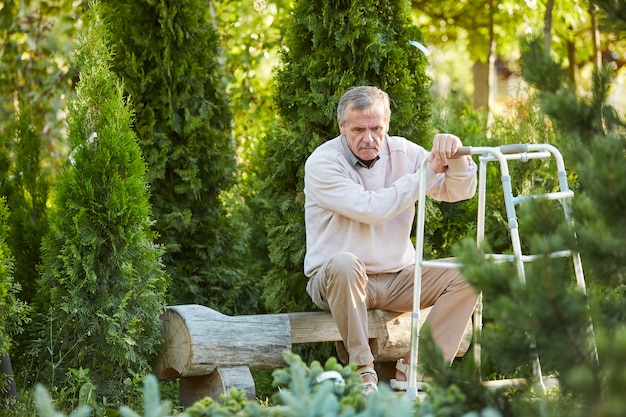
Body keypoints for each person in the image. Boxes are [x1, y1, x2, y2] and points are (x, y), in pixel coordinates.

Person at [303, 86, 479, 394]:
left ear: (387, 124)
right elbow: (373, 209)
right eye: (358, 129)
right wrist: (424, 174)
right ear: (342, 126)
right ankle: (362, 374)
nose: (368, 138)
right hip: (337, 280)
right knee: (346, 264)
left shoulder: (405, 152)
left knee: (472, 270)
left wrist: (457, 154)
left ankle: (418, 369)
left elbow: (459, 191)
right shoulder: (322, 163)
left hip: (397, 279)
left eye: (376, 129)